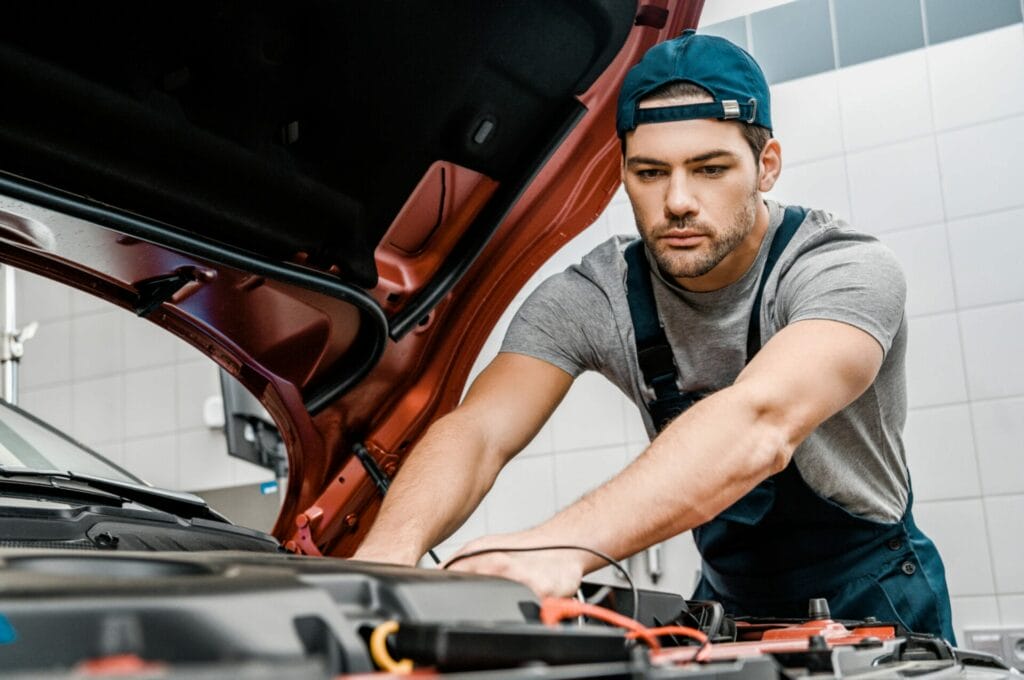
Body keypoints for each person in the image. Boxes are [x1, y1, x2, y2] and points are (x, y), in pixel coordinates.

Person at [354, 30, 955, 642]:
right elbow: (477, 432)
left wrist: (558, 547)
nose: (678, 201)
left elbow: (760, 423)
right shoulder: (594, 297)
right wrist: (382, 563)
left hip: (878, 596)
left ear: (765, 165)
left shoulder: (843, 270)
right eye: (650, 172)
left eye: (710, 169)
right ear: (621, 174)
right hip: (726, 602)